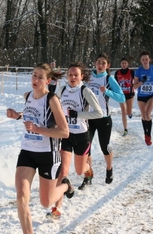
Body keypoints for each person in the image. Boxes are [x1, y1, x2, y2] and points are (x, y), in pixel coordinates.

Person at [6, 63, 74, 234]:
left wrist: (38, 130)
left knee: (46, 202)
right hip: (27, 152)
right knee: (21, 196)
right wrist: (17, 116)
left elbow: (64, 132)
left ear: (48, 80)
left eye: (40, 77)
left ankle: (65, 185)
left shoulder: (52, 100)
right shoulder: (28, 95)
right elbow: (32, 116)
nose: (35, 79)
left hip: (48, 155)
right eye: (34, 75)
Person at [47, 62, 103, 219]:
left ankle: (88, 170)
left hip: (82, 136)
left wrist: (77, 115)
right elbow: (54, 105)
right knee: (63, 171)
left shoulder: (85, 91)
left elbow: (99, 113)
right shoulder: (62, 90)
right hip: (65, 135)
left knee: (79, 170)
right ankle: (57, 208)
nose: (72, 77)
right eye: (70, 74)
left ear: (81, 77)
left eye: (76, 75)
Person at [81, 53, 125, 189]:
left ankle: (109, 168)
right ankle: (88, 176)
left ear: (108, 65)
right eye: (98, 62)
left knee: (105, 147)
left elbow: (122, 98)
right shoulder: (88, 77)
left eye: (103, 63)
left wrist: (107, 91)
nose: (100, 65)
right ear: (95, 63)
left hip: (104, 119)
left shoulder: (109, 79)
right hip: (90, 118)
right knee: (85, 149)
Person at [133, 50, 153, 146]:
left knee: (147, 115)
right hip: (141, 97)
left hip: (151, 95)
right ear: (140, 61)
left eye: (146, 59)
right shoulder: (138, 71)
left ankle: (148, 136)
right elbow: (134, 87)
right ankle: (145, 134)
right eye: (143, 60)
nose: (145, 61)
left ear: (149, 59)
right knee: (143, 116)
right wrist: (142, 81)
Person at [114, 57, 135, 136]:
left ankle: (130, 113)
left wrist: (131, 85)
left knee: (128, 112)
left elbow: (136, 80)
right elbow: (115, 84)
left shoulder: (131, 72)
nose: (124, 64)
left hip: (130, 94)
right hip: (121, 95)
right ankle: (125, 129)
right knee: (123, 111)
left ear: (127, 64)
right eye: (122, 63)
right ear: (120, 64)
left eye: (125, 63)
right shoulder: (117, 73)